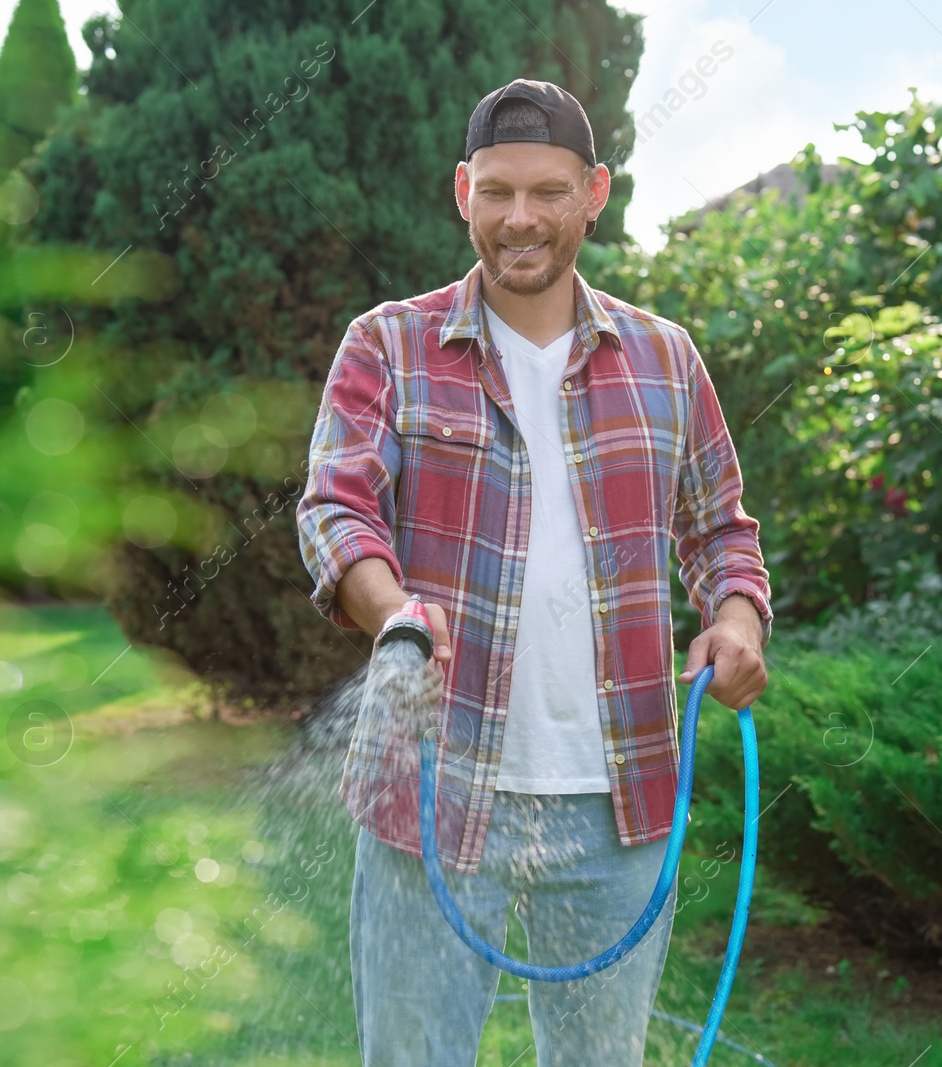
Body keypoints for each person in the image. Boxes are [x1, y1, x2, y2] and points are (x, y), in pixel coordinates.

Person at [296, 77, 772, 1067]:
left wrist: (738, 620)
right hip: (430, 788)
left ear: (594, 192)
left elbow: (721, 529)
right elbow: (336, 506)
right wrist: (396, 618)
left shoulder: (665, 359)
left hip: (621, 801)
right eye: (498, 190)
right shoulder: (388, 344)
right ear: (461, 189)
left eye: (548, 191)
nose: (521, 218)